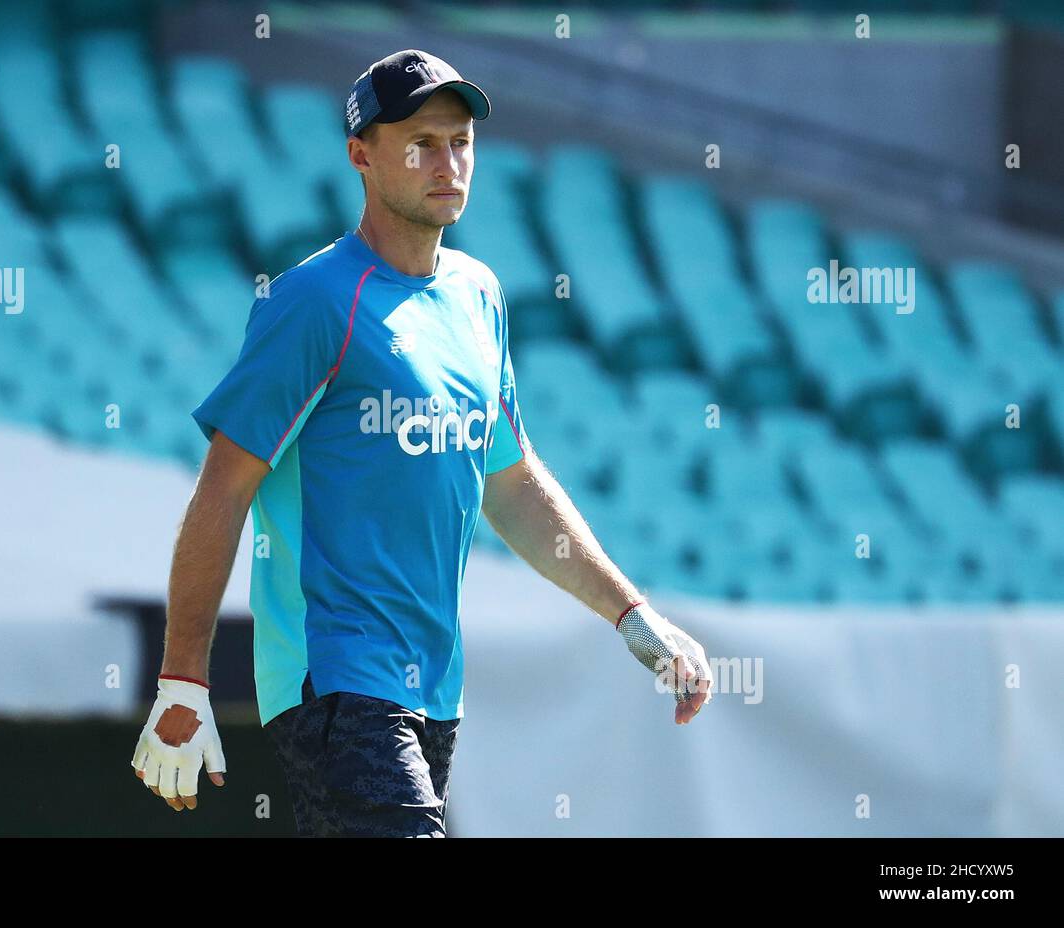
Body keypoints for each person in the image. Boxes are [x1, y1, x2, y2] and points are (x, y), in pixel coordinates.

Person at [132, 48, 712, 837]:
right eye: (421, 142)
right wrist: (181, 682)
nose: (448, 162)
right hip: (334, 682)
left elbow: (511, 482)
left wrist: (635, 618)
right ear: (361, 156)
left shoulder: (479, 295)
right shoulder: (311, 302)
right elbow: (222, 490)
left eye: (460, 141)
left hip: (434, 691)